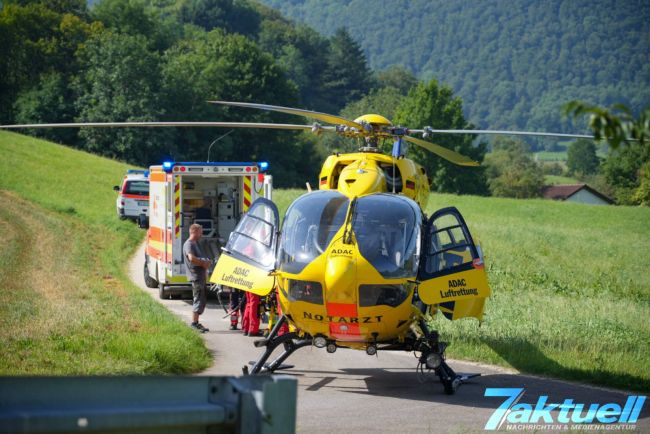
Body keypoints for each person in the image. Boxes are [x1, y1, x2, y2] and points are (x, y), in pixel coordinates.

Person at [183, 223, 211, 333]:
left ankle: (197, 322)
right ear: (194, 231)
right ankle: (194, 324)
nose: (201, 234)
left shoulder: (195, 243)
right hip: (196, 276)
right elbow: (191, 258)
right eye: (200, 231)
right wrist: (203, 263)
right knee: (198, 299)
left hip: (200, 276)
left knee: (202, 300)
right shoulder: (189, 244)